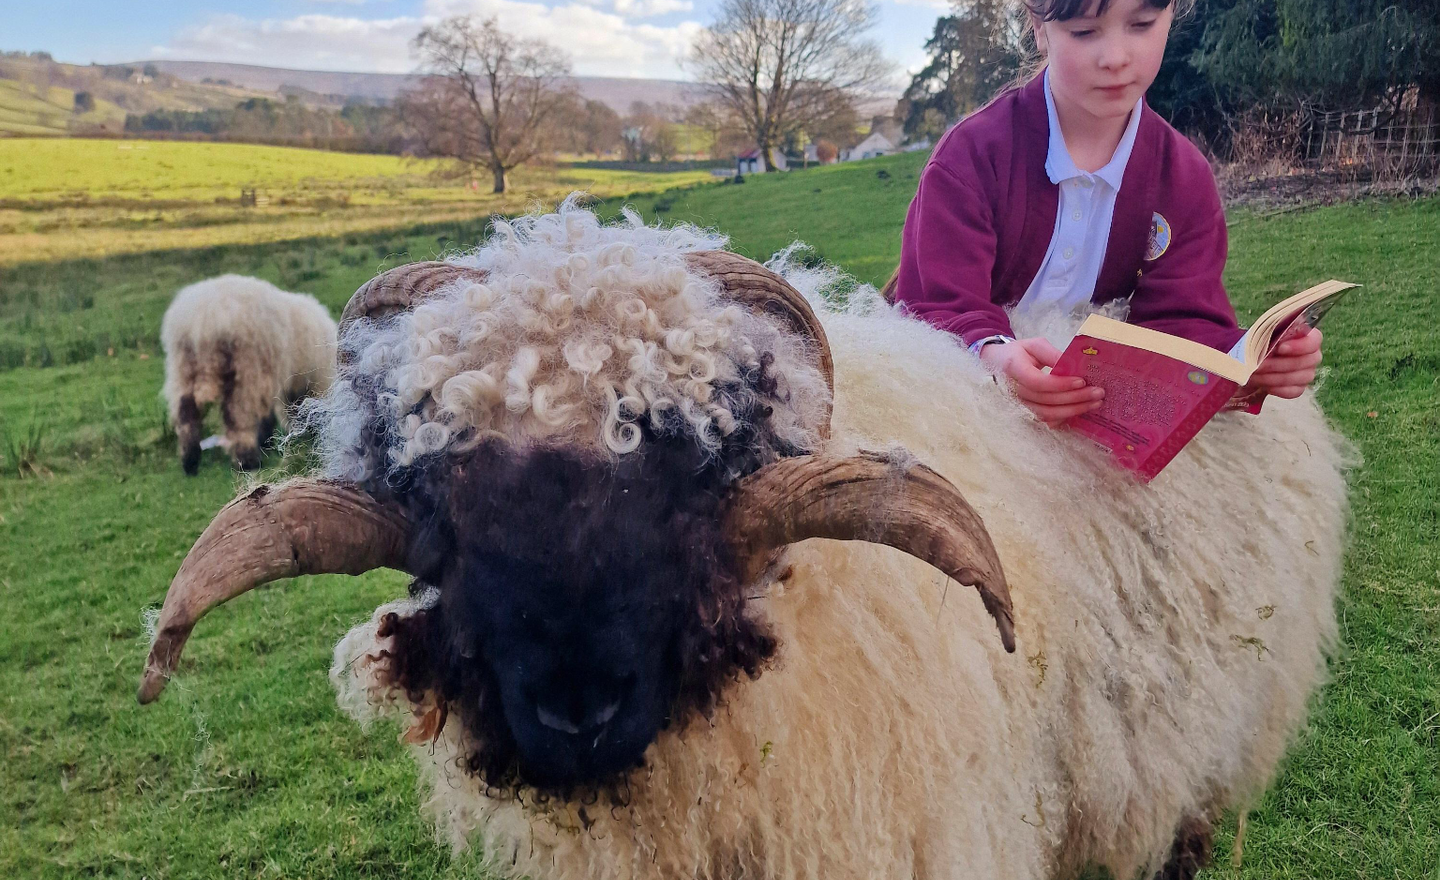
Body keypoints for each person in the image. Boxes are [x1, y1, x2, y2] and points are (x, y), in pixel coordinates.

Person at [890, 0, 1324, 426]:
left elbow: (1182, 321)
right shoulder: (971, 158)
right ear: (1039, 28)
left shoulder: (1184, 179)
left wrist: (1247, 361)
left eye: (1141, 25)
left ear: (1171, 15)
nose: (1115, 58)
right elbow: (937, 303)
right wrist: (992, 353)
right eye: (1083, 31)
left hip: (1086, 424)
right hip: (964, 416)